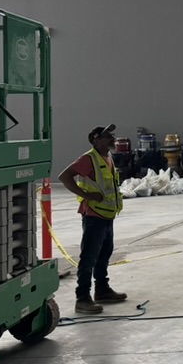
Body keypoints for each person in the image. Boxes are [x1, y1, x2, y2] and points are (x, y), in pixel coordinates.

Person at [58, 124, 128, 314]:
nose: (112, 139)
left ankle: (102, 289)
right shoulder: (88, 159)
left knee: (104, 254)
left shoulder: (108, 157)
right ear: (96, 141)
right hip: (93, 215)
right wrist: (86, 195)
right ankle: (82, 298)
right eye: (107, 136)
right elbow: (65, 176)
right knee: (89, 257)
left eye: (112, 135)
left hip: (107, 214)